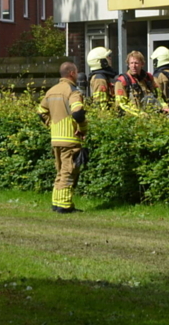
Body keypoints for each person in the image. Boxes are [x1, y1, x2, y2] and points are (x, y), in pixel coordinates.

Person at [37, 62, 86, 214]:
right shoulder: (73, 91)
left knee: (60, 171)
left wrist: (50, 123)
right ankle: (65, 206)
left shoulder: (51, 91)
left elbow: (40, 110)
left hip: (55, 138)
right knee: (68, 172)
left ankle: (56, 202)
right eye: (76, 72)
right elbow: (78, 112)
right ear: (71, 73)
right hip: (70, 139)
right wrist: (82, 129)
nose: (77, 74)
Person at [113, 51, 169, 117]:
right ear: (128, 64)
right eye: (131, 63)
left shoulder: (149, 78)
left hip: (151, 117)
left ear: (142, 64)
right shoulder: (122, 81)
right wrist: (140, 114)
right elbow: (121, 104)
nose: (133, 66)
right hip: (132, 119)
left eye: (136, 63)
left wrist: (165, 107)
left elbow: (158, 97)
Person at [86, 46, 116, 110]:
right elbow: (101, 103)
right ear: (102, 61)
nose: (110, 58)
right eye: (108, 57)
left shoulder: (102, 76)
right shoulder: (100, 79)